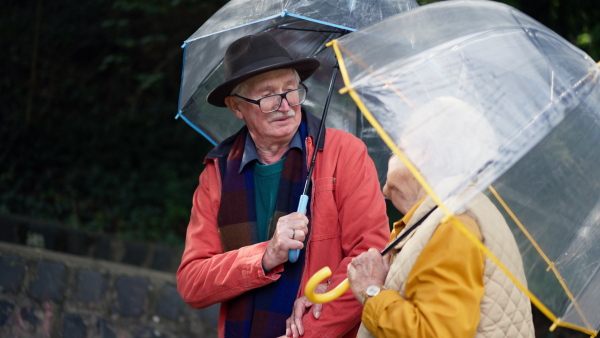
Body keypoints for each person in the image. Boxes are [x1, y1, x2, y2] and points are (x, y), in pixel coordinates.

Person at [176, 32, 390, 338]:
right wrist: (265, 256)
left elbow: (371, 257)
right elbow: (193, 283)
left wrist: (307, 333)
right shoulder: (218, 173)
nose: (285, 105)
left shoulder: (344, 153)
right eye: (267, 96)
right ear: (236, 106)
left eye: (291, 90)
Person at [346, 97, 535, 337]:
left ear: (423, 153)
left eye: (399, 148)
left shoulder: (452, 225)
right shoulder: (441, 216)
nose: (392, 157)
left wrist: (371, 291)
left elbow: (436, 332)